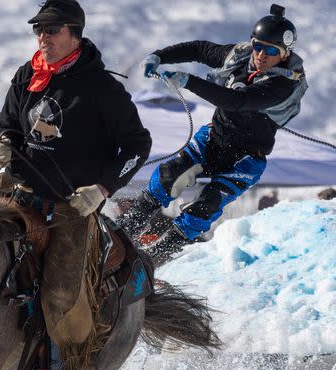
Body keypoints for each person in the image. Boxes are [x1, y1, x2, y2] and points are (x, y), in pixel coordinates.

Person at [0, 0, 151, 370]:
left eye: (51, 30)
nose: (42, 37)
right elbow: (7, 123)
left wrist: (102, 188)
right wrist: (3, 141)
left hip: (72, 209)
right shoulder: (27, 75)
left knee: (62, 287)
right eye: (38, 30)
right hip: (21, 196)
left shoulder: (103, 88)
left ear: (74, 34)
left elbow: (138, 146)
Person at [117, 4, 308, 264]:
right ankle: (121, 230)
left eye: (271, 50)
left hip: (246, 157)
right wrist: (159, 56)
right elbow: (199, 49)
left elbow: (236, 101)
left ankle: (155, 257)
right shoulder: (240, 56)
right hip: (213, 139)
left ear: (285, 54)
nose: (261, 55)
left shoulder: (284, 83)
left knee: (205, 206)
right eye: (258, 46)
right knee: (168, 178)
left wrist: (189, 82)